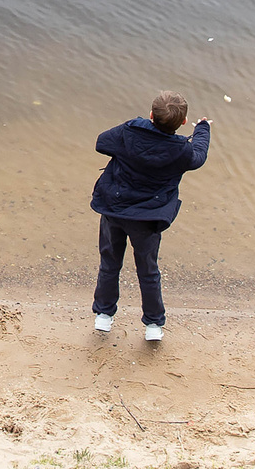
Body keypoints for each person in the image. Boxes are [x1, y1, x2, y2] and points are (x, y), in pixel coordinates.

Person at [89, 91, 208, 343]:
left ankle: (104, 315)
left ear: (151, 115)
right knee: (148, 270)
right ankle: (153, 324)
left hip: (115, 208)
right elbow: (198, 156)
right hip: (148, 218)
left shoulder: (129, 131)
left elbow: (102, 143)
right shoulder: (181, 152)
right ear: (183, 123)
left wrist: (137, 127)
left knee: (110, 263)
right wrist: (203, 129)